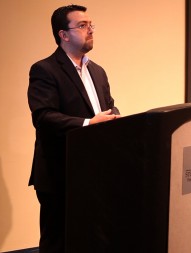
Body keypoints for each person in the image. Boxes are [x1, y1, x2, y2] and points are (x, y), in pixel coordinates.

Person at [27, 4, 120, 253]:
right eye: (82, 25)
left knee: (91, 239)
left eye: (91, 25)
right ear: (63, 34)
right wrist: (88, 124)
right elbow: (44, 117)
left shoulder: (97, 72)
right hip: (60, 172)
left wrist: (116, 120)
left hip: (93, 173)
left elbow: (109, 108)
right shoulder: (44, 70)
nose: (90, 30)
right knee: (58, 242)